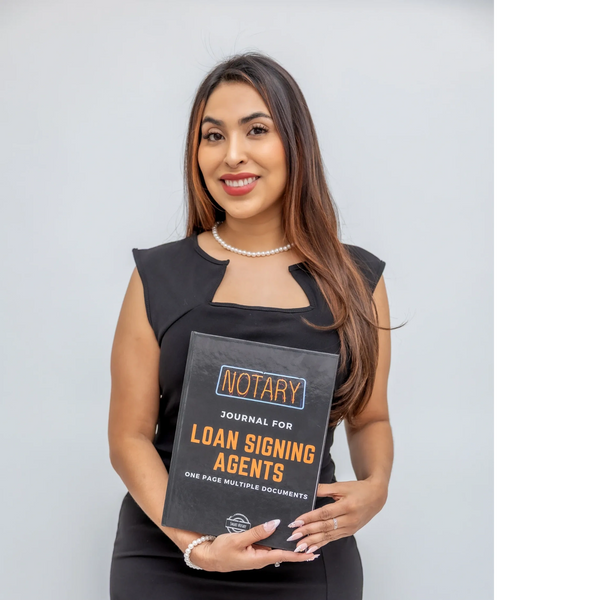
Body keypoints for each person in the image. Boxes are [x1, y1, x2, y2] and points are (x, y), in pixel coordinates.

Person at [108, 52, 394, 600]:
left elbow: (370, 417)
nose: (232, 154)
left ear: (295, 143)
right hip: (167, 558)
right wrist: (195, 545)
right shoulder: (157, 276)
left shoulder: (357, 280)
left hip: (306, 556)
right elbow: (128, 437)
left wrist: (375, 487)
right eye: (213, 136)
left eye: (256, 130)